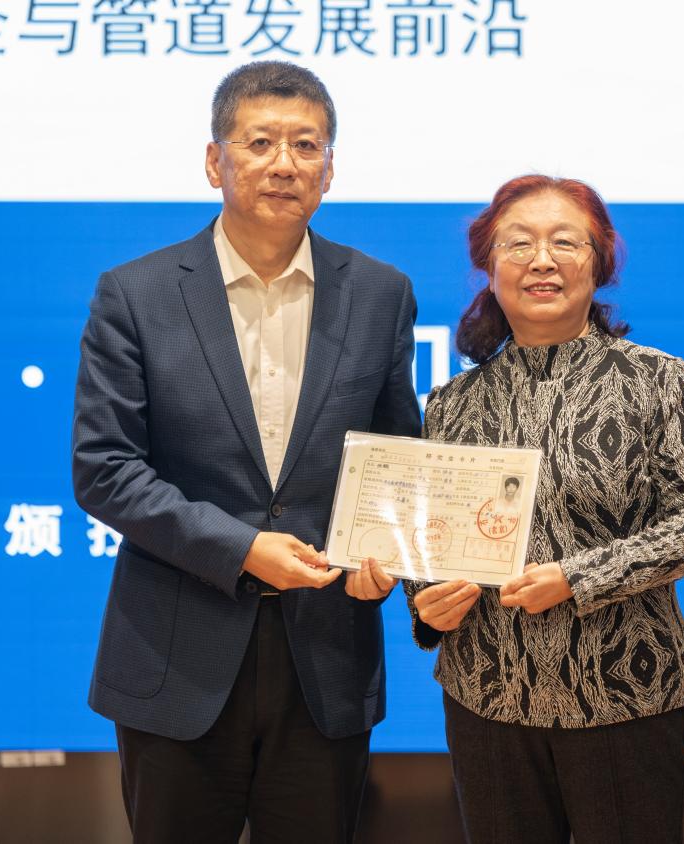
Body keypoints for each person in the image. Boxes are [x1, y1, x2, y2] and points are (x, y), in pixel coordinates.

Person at [72, 61, 419, 843]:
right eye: (259, 142)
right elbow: (105, 469)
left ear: (330, 168)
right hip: (176, 652)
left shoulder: (380, 293)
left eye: (306, 145)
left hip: (326, 652)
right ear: (214, 161)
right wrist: (241, 549)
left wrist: (384, 552)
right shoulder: (136, 294)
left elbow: (395, 454)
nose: (283, 164)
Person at [403, 175, 684, 843]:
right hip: (485, 700)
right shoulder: (451, 403)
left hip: (625, 695)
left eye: (564, 242)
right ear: (489, 265)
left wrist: (578, 577)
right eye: (518, 244)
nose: (541, 261)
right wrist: (425, 601)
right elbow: (428, 538)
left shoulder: (656, 379)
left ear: (598, 261)